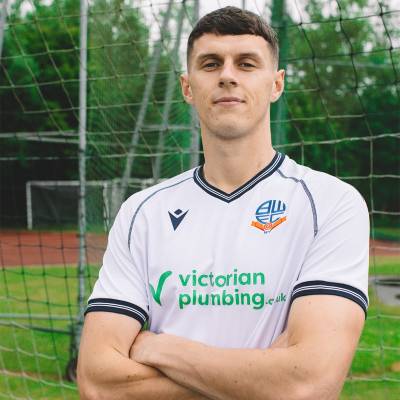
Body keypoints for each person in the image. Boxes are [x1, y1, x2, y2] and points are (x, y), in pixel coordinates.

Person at [77, 6, 369, 400]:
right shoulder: (140, 213)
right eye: (211, 63)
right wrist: (263, 380)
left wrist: (162, 348)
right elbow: (98, 382)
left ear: (276, 84)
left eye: (247, 63)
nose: (227, 75)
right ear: (187, 87)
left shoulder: (331, 205)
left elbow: (307, 385)